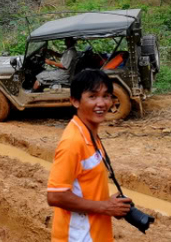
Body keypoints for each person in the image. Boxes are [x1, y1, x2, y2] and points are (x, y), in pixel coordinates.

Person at [47, 69, 133, 241]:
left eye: (106, 95)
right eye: (92, 96)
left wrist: (109, 203)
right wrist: (105, 206)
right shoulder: (72, 142)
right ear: (75, 101)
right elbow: (55, 195)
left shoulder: (89, 134)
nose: (101, 103)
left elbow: (83, 187)